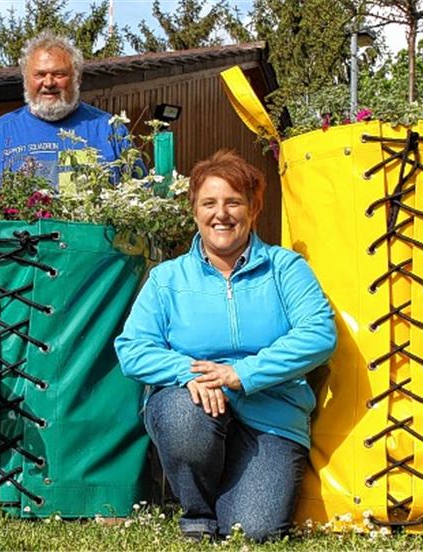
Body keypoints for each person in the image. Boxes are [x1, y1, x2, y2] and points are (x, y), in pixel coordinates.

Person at [115, 150, 337, 542]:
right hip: (195, 407)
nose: (222, 214)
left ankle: (227, 491)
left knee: (252, 531)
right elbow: (132, 349)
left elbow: (319, 334)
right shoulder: (167, 278)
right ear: (194, 211)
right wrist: (189, 373)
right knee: (184, 413)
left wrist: (241, 374)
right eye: (209, 203)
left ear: (254, 207)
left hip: (271, 415)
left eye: (234, 201)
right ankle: (197, 513)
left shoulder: (287, 268)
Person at [0, 31, 129, 191]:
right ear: (26, 79)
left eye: (59, 74)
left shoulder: (109, 130)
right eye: (39, 74)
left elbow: (142, 198)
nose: (49, 82)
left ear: (78, 78)